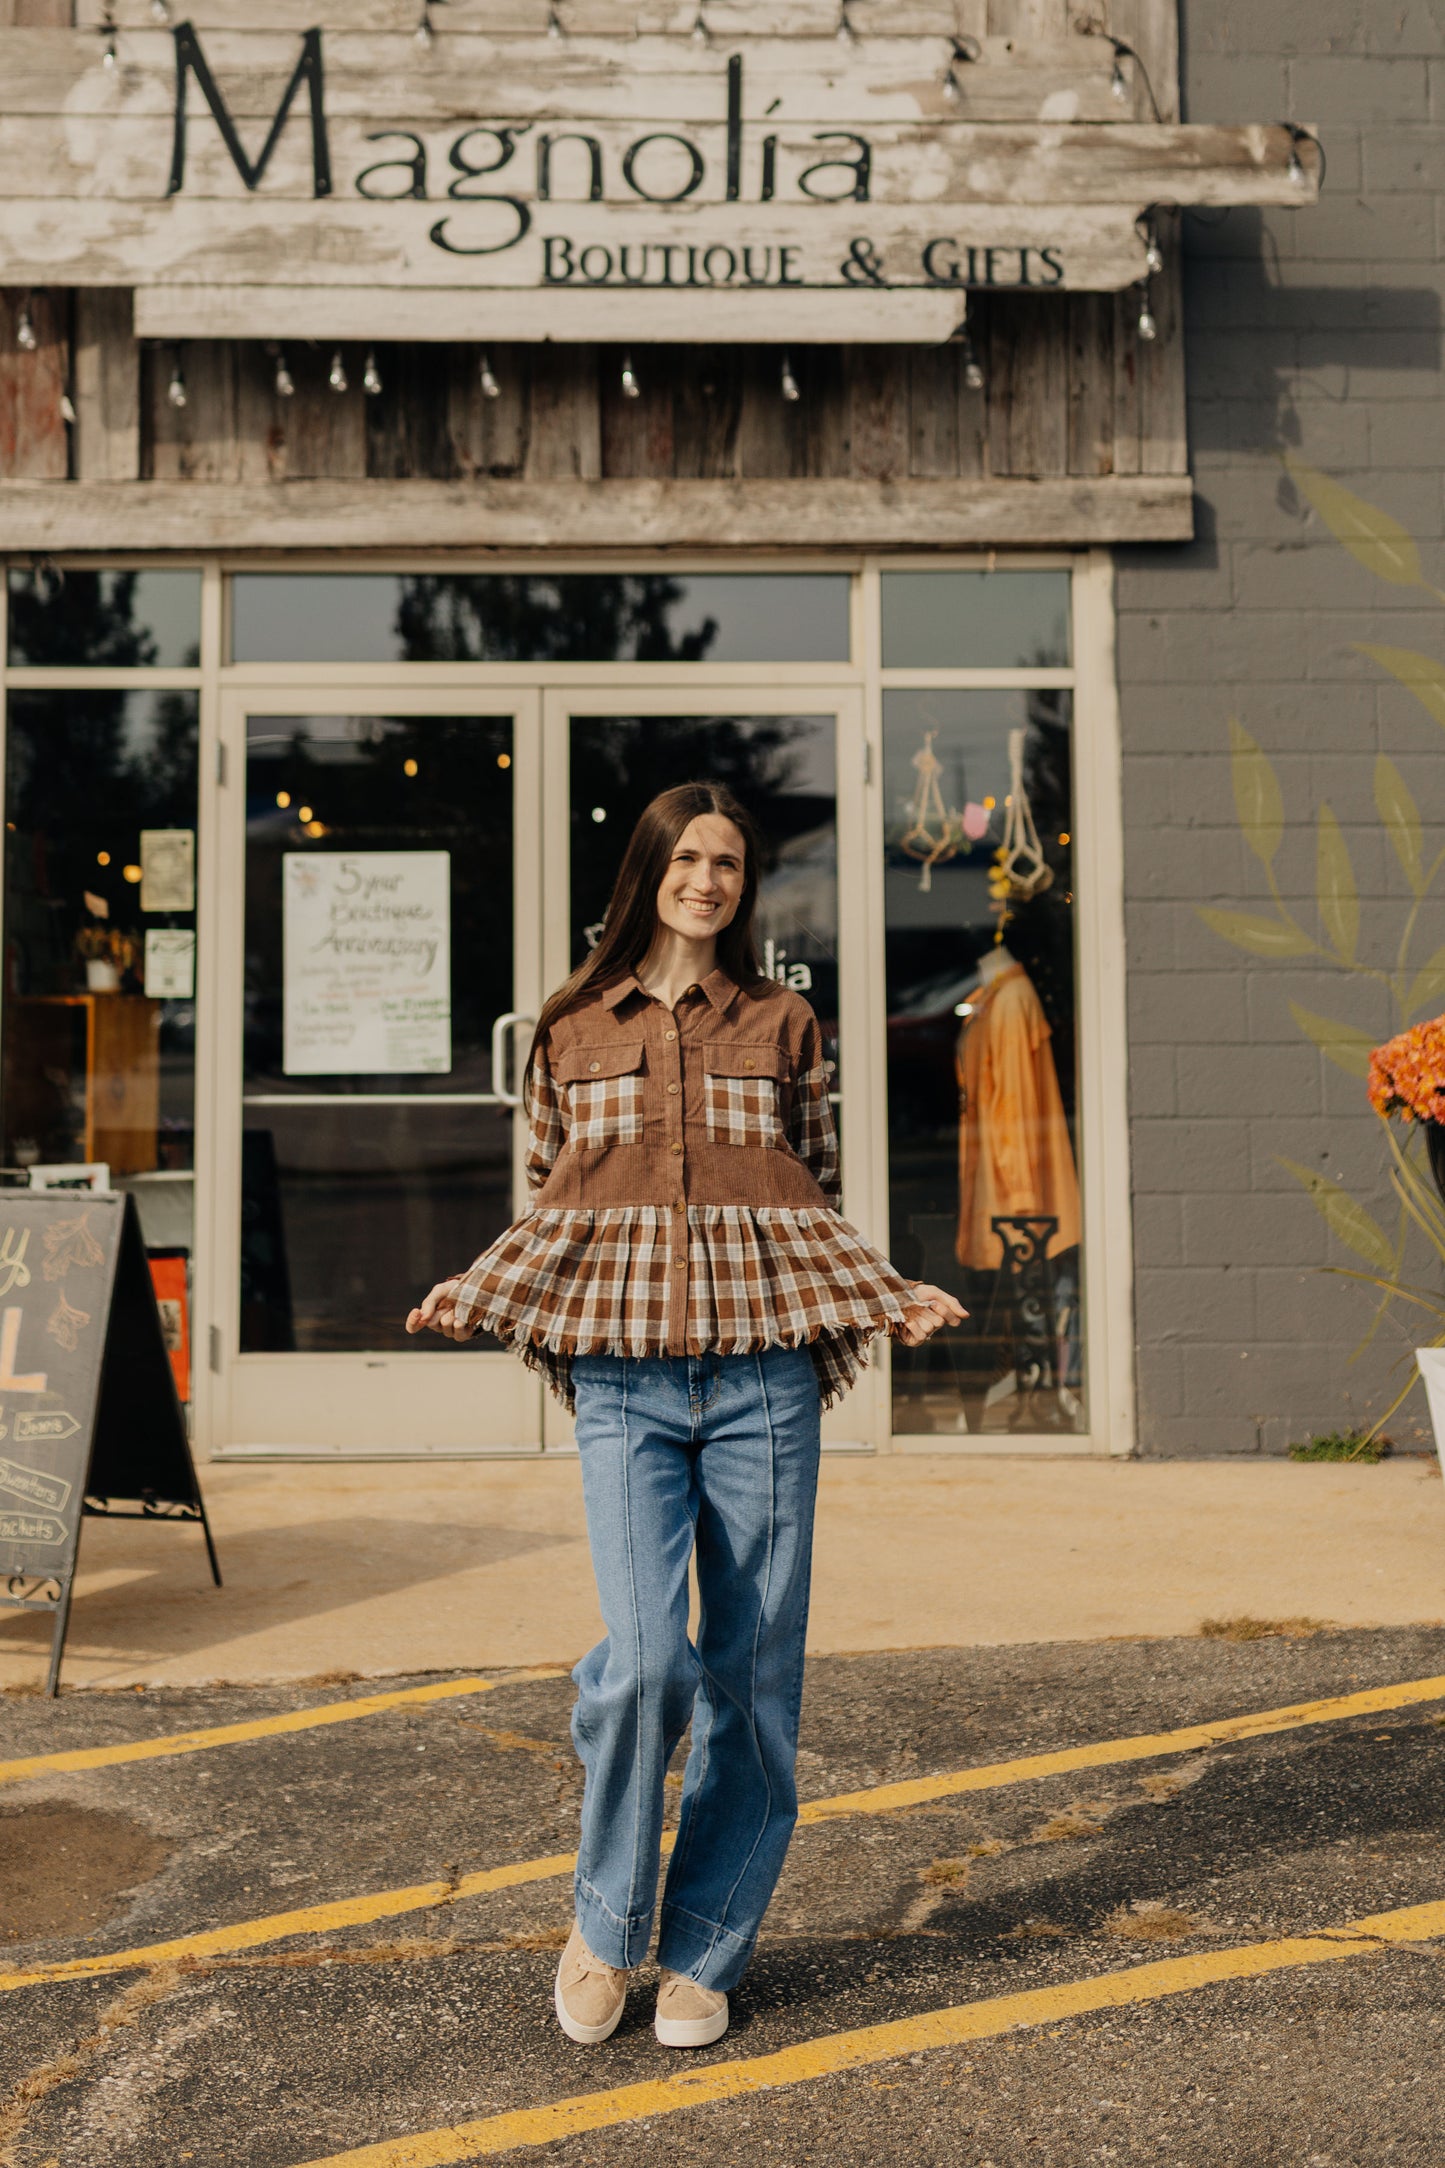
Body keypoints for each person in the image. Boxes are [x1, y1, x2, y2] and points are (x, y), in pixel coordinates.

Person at [407, 781, 963, 2051]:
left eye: (727, 862)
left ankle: (706, 1946)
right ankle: (605, 1918)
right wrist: (477, 1284)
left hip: (764, 1375)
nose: (707, 879)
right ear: (648, 869)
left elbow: (806, 1190)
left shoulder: (783, 1020)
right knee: (651, 1658)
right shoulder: (566, 1022)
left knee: (754, 1676)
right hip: (623, 1380)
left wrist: (882, 1290)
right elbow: (552, 1199)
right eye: (687, 857)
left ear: (742, 883)